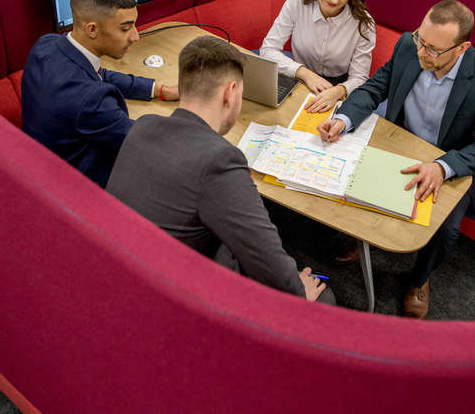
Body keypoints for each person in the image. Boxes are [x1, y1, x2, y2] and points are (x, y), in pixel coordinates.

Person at [317, 0, 475, 319]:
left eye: (433, 49)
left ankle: (419, 279)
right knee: (353, 171)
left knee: (445, 231)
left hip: (451, 160)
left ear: (461, 49)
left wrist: (442, 166)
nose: (422, 52)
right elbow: (376, 88)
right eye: (421, 39)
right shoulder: (408, 45)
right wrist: (344, 119)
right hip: (401, 141)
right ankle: (361, 236)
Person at [106, 36, 332, 303]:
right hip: (173, 300)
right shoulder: (220, 161)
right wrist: (298, 291)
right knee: (324, 298)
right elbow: (267, 259)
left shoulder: (144, 125)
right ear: (230, 92)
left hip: (121, 272)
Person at [22, 0, 179, 188]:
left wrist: (159, 89)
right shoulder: (90, 102)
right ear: (92, 29)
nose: (135, 36)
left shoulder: (46, 45)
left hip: (40, 165)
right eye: (125, 28)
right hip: (84, 189)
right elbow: (145, 143)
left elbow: (98, 73)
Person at [260, 0, 376, 113]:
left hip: (337, 89)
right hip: (298, 77)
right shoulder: (297, 1)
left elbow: (359, 78)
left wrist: (339, 91)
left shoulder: (364, 24)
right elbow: (268, 49)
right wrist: (305, 74)